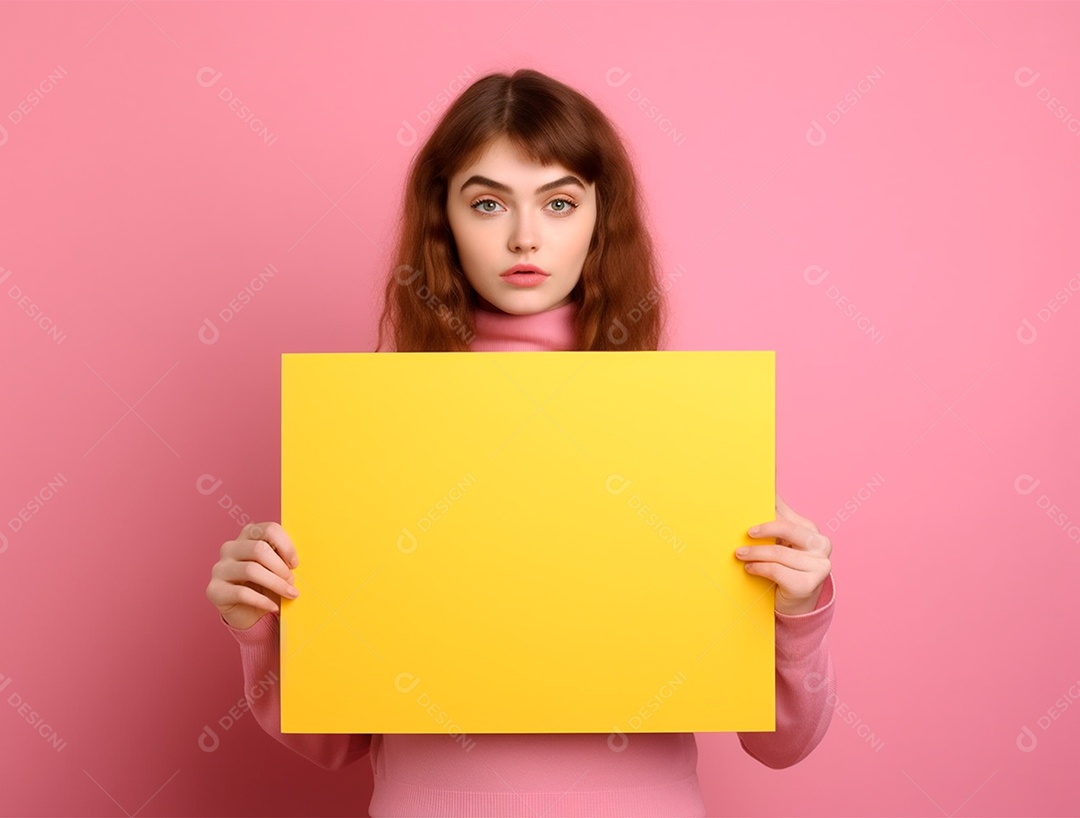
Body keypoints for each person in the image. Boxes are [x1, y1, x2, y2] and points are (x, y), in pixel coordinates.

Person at [205, 67, 837, 817]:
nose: (525, 236)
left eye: (560, 202)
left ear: (601, 220)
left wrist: (801, 610)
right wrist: (260, 628)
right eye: (487, 203)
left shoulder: (683, 428)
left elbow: (780, 744)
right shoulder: (374, 428)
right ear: (444, 219)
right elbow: (337, 742)